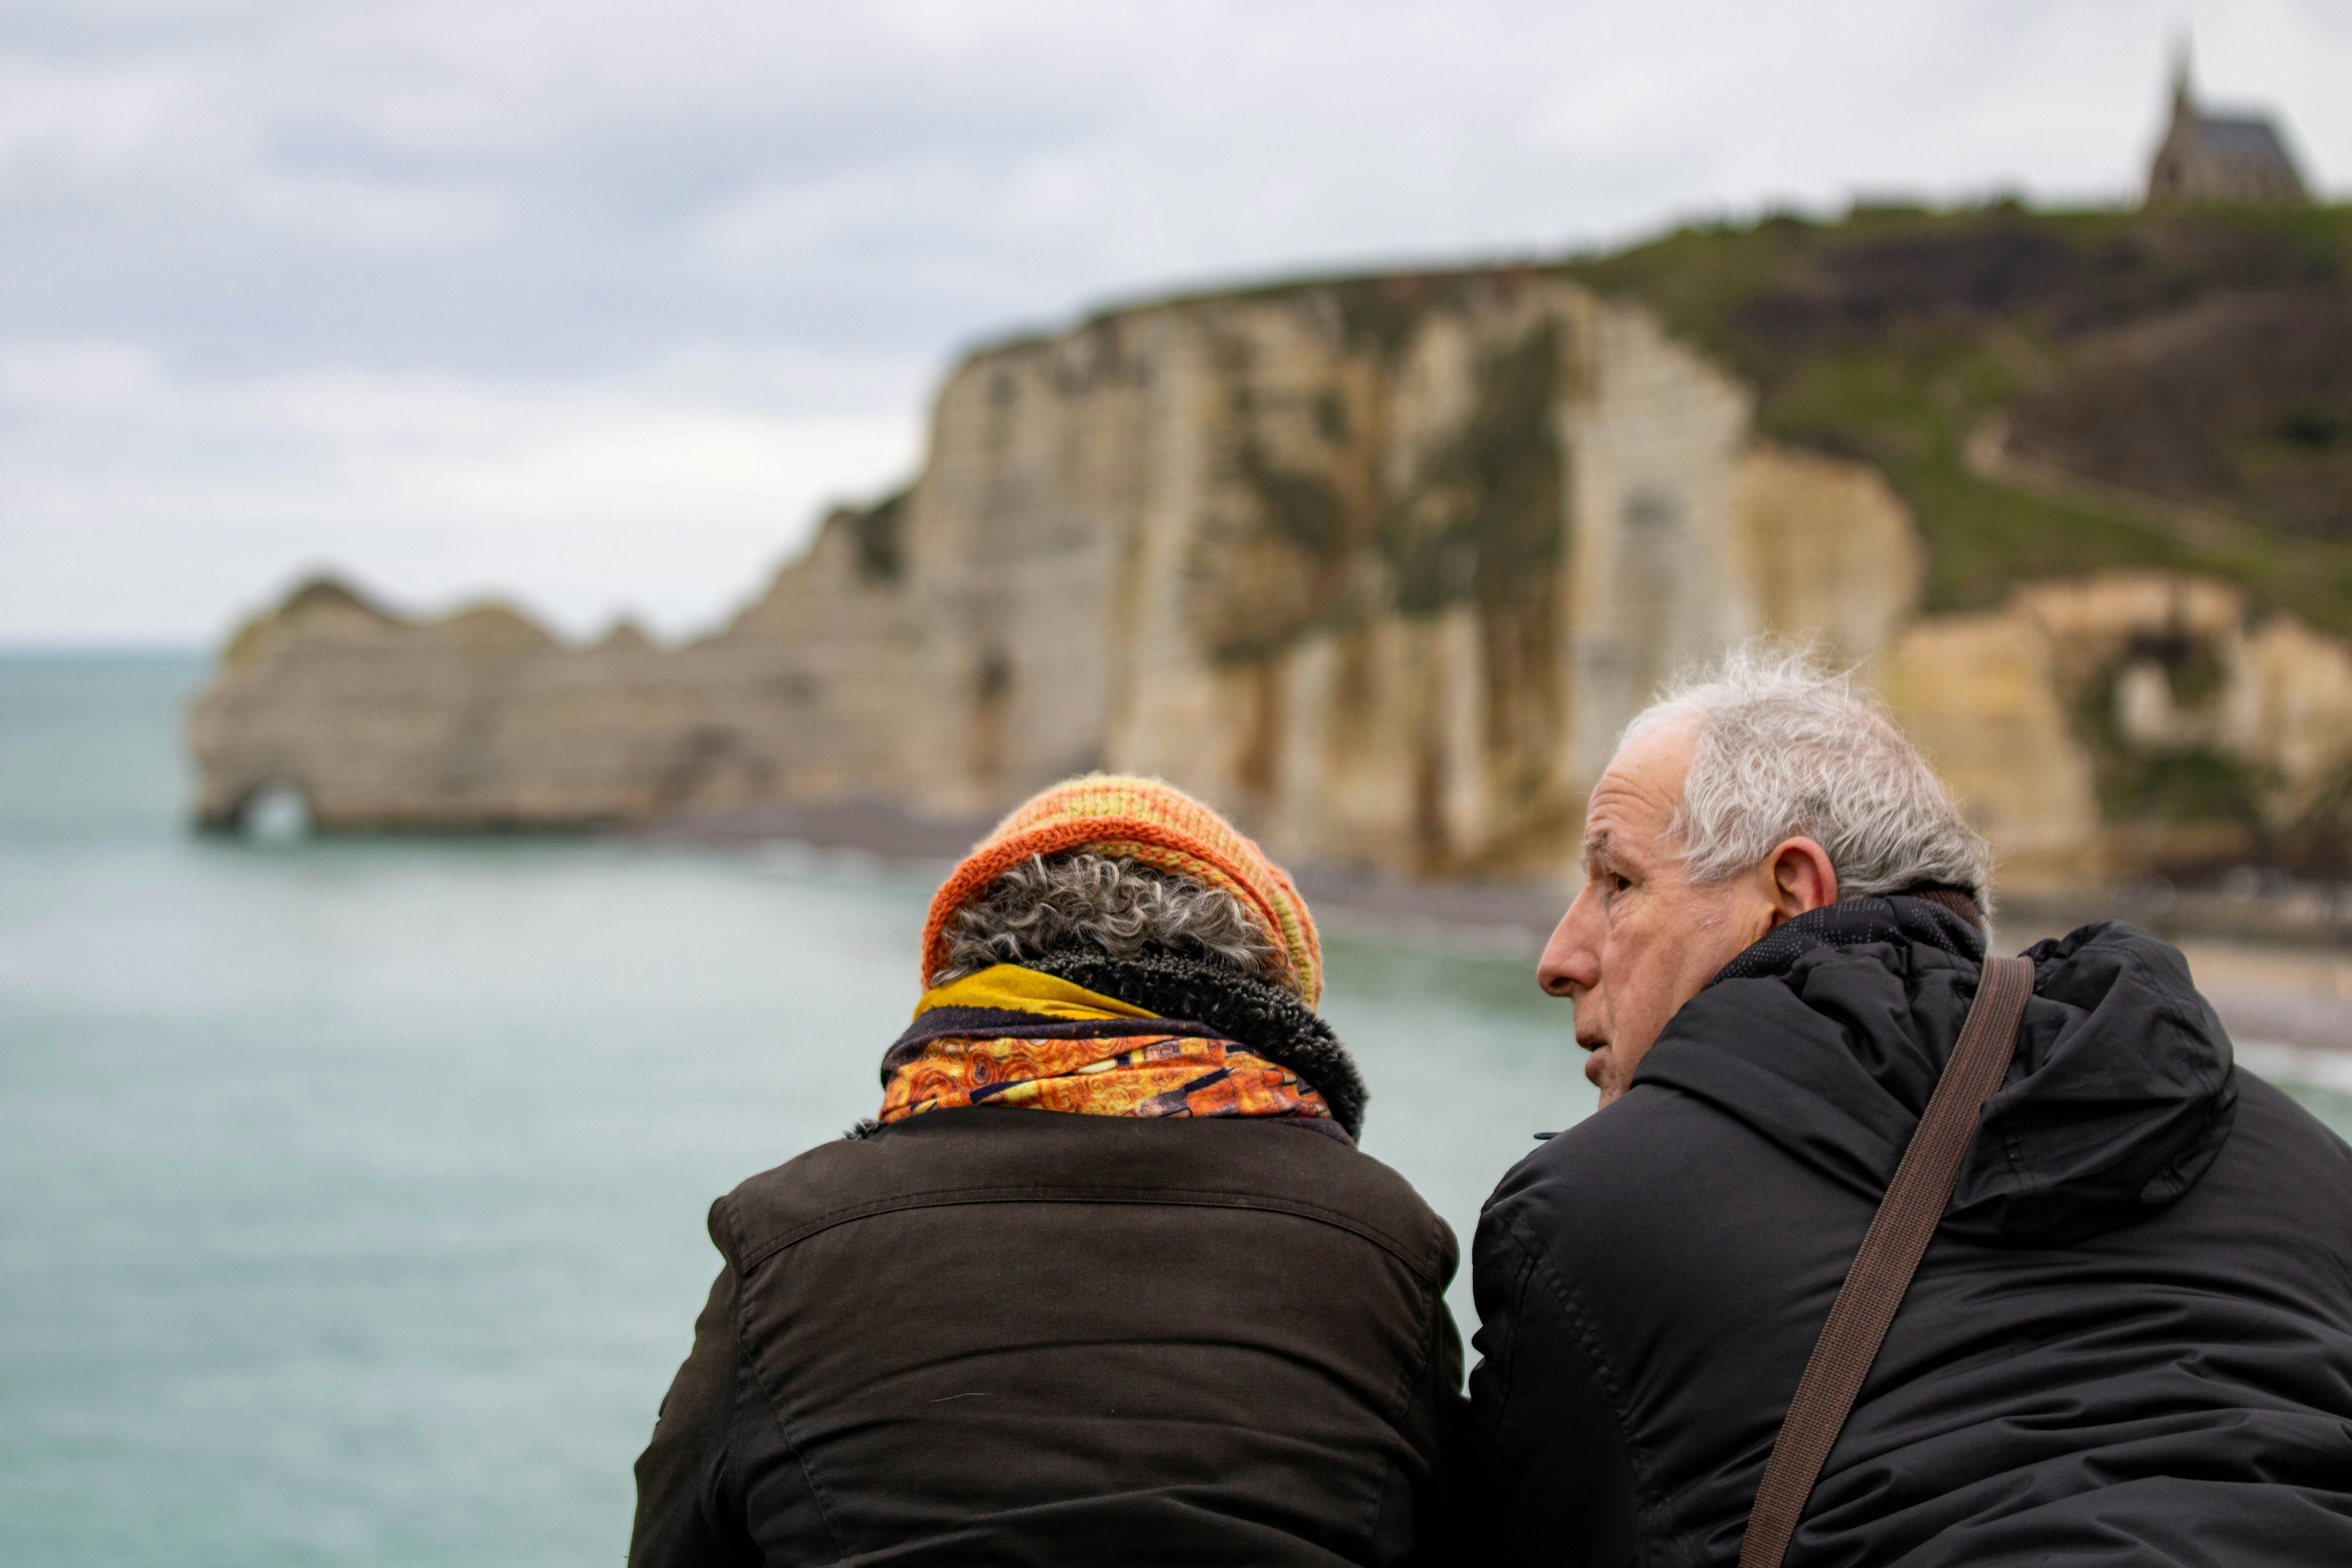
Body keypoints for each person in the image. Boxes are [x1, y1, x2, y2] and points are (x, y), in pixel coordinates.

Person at [1470, 647, 2352, 1565]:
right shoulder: (2311, 1167)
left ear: (1790, 895)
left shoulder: (1600, 1214)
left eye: (1617, 883)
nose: (1560, 957)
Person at [630, 775, 1463, 1567]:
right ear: (1270, 996)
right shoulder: (1387, 1241)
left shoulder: (782, 1236)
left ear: (969, 974)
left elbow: (674, 1540)